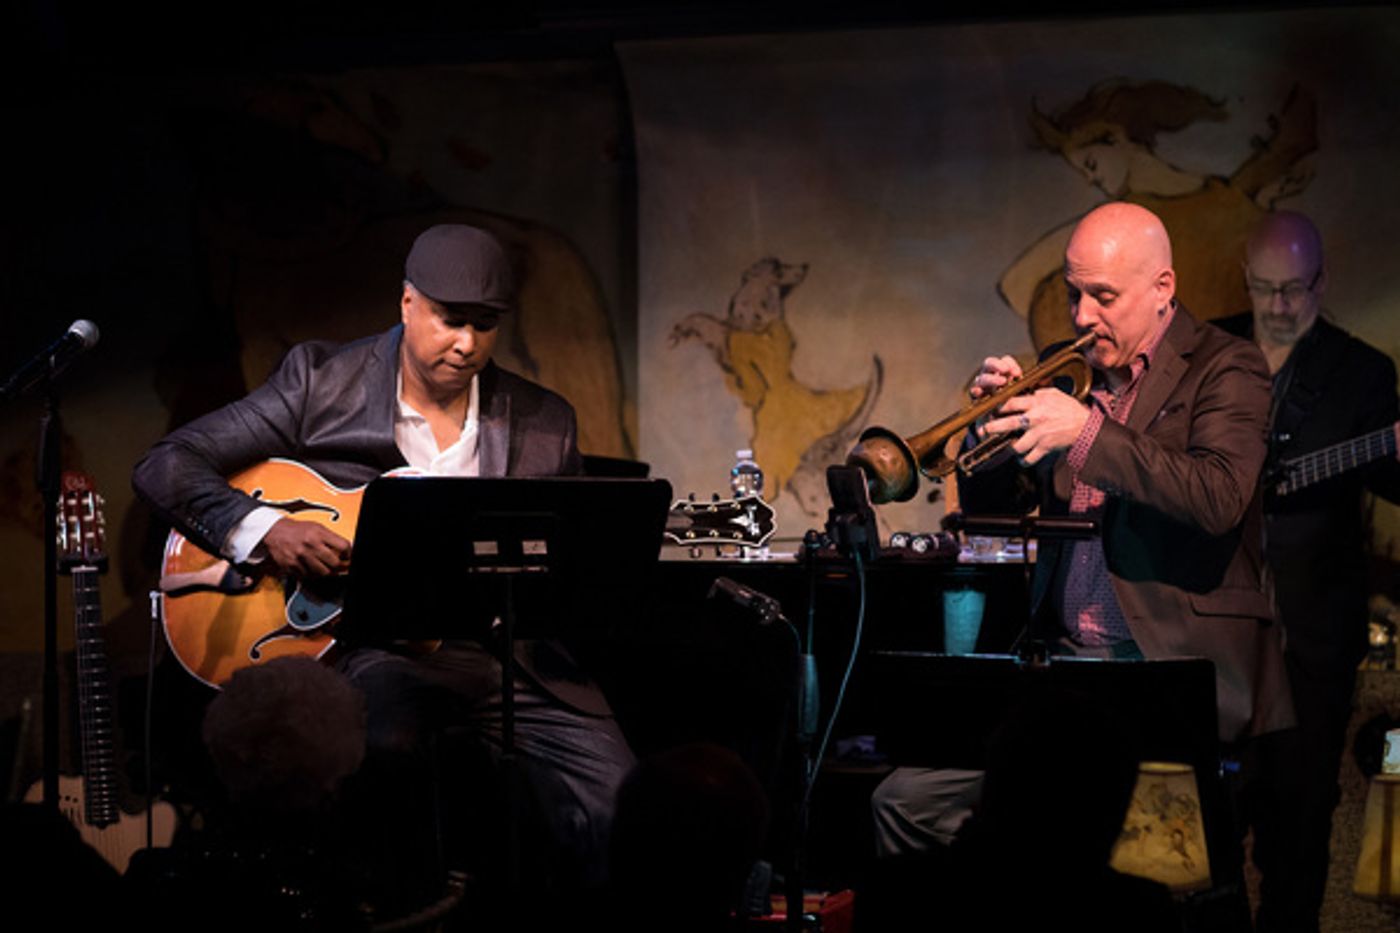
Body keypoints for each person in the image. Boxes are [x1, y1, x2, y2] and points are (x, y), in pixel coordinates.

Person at [132, 223, 635, 917]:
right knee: (381, 756)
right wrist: (268, 528)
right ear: (406, 304)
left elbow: (569, 574)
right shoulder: (319, 380)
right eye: (450, 320)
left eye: (484, 326)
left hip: (503, 654)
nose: (466, 343)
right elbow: (167, 465)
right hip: (368, 647)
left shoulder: (546, 423)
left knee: (620, 794)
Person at [872, 203, 1293, 918]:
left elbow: (1219, 494)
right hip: (1065, 671)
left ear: (1163, 287)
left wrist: (1088, 432)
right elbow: (997, 512)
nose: (1080, 314)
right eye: (1074, 293)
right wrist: (994, 433)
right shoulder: (1073, 381)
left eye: (1103, 295)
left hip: (1165, 673)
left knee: (1115, 850)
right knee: (901, 801)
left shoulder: (1229, 366)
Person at [1215, 211, 1400, 933]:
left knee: (1300, 831)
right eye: (1265, 288)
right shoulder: (1208, 351)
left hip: (1312, 647)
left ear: (1321, 281)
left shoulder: (1360, 372)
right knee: (1208, 829)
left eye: (1294, 289)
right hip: (1217, 639)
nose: (1281, 306)